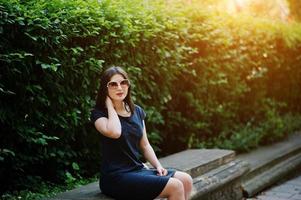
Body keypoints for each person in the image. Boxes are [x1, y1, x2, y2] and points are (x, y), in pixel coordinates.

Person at [91, 66, 193, 200]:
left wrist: (158, 166)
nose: (119, 88)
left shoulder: (137, 111)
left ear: (128, 85)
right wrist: (110, 106)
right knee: (175, 186)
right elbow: (115, 132)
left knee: (186, 180)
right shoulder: (99, 114)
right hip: (115, 177)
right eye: (113, 84)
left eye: (123, 82)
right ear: (105, 88)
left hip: (137, 170)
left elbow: (145, 145)